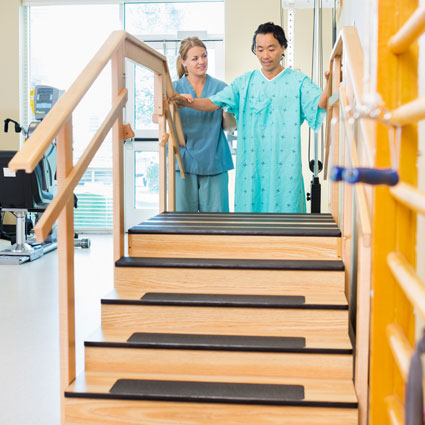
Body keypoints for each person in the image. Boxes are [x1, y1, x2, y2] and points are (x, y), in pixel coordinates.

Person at [172, 22, 329, 213]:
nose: (265, 55)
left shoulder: (298, 82)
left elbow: (320, 103)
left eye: (271, 49)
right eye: (260, 49)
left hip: (285, 168)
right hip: (252, 170)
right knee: (249, 222)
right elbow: (212, 102)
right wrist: (185, 102)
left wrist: (330, 82)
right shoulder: (243, 83)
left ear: (283, 48)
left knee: (287, 221)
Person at [173, 36, 236, 212]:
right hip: (184, 162)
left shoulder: (222, 88)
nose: (201, 62)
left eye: (204, 56)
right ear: (184, 62)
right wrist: (174, 104)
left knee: (216, 225)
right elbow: (157, 118)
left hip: (214, 160)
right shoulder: (173, 89)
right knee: (183, 223)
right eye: (195, 58)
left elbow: (230, 127)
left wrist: (226, 111)